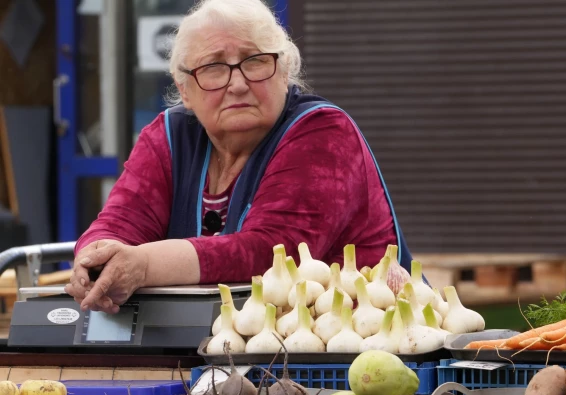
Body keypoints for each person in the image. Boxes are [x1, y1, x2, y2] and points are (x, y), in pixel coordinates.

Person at [65, 0, 415, 314]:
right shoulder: (168, 136)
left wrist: (143, 265)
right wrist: (96, 257)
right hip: (221, 353)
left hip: (352, 350)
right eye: (213, 68)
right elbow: (122, 220)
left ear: (284, 69)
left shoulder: (324, 132)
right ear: (184, 89)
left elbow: (272, 253)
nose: (237, 84)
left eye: (255, 61)